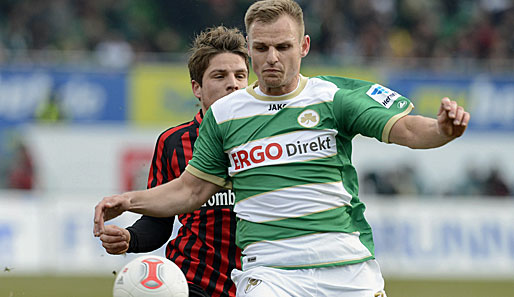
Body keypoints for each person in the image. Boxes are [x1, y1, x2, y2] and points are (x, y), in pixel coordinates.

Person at [94, 1, 471, 296]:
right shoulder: (224, 115)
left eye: (283, 46)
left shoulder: (333, 97)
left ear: (303, 46)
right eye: (261, 47)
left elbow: (406, 128)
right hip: (269, 273)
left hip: (347, 267)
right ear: (250, 48)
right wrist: (129, 201)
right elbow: (190, 190)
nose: (272, 57)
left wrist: (441, 129)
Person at [98, 26, 249, 297]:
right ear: (197, 88)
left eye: (240, 75)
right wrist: (130, 238)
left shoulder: (269, 139)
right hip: (193, 281)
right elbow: (159, 222)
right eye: (220, 75)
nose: (233, 84)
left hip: (258, 282)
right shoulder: (174, 143)